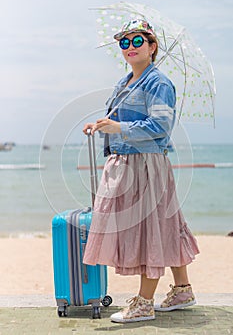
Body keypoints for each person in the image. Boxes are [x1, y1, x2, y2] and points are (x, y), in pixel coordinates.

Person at [83, 19, 199, 323]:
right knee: (166, 225)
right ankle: (183, 289)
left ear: (152, 46)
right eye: (125, 42)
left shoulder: (158, 82)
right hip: (128, 163)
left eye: (138, 41)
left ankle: (145, 302)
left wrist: (119, 127)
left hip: (146, 165)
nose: (130, 47)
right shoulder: (124, 83)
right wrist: (100, 125)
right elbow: (118, 120)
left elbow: (160, 127)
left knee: (150, 230)